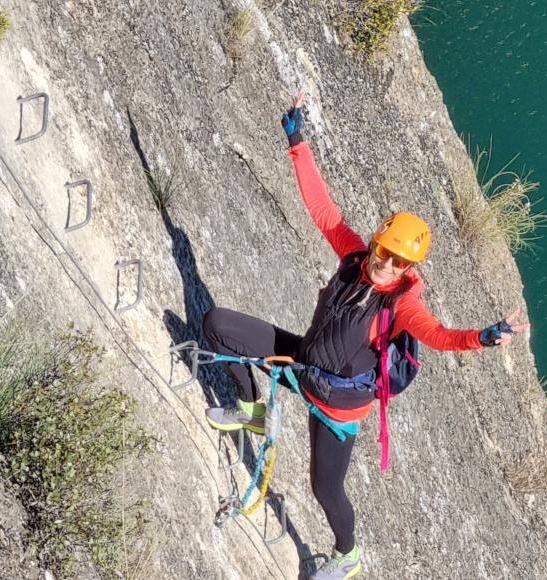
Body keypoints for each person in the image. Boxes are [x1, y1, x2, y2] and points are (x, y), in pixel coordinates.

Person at [202, 90, 529, 580]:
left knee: (326, 491)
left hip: (336, 405)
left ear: (408, 268)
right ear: (375, 243)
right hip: (300, 365)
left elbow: (436, 335)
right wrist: (298, 142)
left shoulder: (402, 304)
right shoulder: (355, 256)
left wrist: (481, 337)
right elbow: (323, 210)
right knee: (217, 328)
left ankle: (348, 555)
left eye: (399, 261)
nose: (386, 264)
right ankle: (250, 410)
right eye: (385, 252)